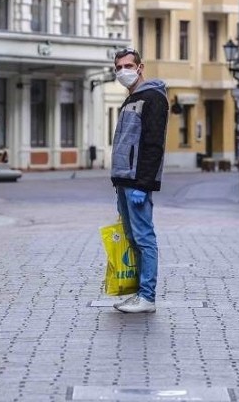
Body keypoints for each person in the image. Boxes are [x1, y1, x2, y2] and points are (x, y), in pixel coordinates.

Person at [109, 47, 168, 314]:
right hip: (124, 179)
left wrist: (144, 185)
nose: (123, 72)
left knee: (144, 237)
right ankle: (138, 294)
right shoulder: (131, 98)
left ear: (140, 67)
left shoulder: (153, 98)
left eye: (128, 66)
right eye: (118, 68)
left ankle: (147, 297)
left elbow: (153, 144)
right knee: (133, 237)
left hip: (137, 180)